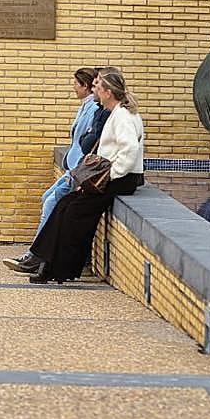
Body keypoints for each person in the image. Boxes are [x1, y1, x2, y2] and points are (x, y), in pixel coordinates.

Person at [22, 70, 145, 284]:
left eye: (98, 87)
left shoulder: (123, 116)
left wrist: (111, 176)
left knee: (72, 213)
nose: (94, 89)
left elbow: (130, 150)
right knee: (65, 205)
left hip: (119, 180)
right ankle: (44, 261)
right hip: (111, 178)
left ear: (108, 92)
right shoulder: (118, 112)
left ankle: (53, 268)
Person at [4, 68, 103, 271]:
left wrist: (78, 172)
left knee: (51, 202)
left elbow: (89, 142)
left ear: (85, 86)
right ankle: (37, 252)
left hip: (78, 170)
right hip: (72, 168)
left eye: (76, 84)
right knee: (47, 197)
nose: (73, 87)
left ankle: (35, 256)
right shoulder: (85, 107)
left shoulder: (93, 108)